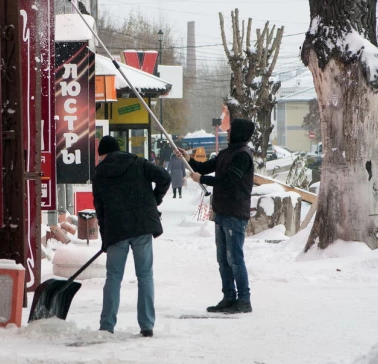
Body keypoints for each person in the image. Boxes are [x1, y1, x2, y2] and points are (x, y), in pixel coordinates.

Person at [92, 135, 171, 336]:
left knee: (113, 277)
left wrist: (105, 238)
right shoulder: (138, 162)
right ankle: (147, 326)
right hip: (142, 226)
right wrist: (154, 200)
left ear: (104, 153)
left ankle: (107, 326)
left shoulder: (100, 173)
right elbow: (165, 177)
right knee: (145, 275)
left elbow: (99, 209)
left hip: (117, 229)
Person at [176, 118, 255, 314]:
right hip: (221, 211)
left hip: (235, 213)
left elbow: (229, 180)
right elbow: (204, 167)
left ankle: (244, 299)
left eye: (230, 130)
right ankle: (229, 297)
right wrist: (188, 159)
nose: (227, 132)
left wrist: (202, 179)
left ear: (239, 133)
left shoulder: (243, 155)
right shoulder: (227, 153)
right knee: (223, 259)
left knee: (235, 258)